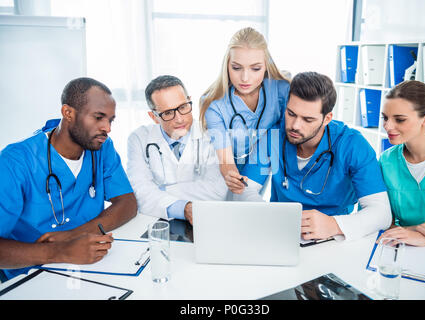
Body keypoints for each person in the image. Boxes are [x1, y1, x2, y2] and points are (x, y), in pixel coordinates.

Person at [0, 77, 137, 282]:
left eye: (111, 120)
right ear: (68, 113)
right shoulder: (16, 161)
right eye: (98, 117)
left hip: (90, 267)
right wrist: (60, 251)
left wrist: (75, 234)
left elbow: (128, 203)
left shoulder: (101, 147)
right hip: (29, 276)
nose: (107, 128)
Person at [241, 72, 392, 241]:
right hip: (280, 234)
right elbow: (245, 189)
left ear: (327, 118)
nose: (295, 126)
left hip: (331, 239)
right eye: (291, 114)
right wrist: (270, 215)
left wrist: (334, 224)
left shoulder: (352, 145)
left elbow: (382, 213)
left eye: (308, 119)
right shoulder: (274, 135)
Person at [199, 27, 290, 196]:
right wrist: (231, 175)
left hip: (262, 163)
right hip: (220, 168)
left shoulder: (281, 91)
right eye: (237, 68)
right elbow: (225, 160)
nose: (245, 78)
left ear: (266, 66)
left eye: (255, 69)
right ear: (227, 65)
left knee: (250, 208)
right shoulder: (214, 104)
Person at [127, 75, 227, 224]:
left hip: (208, 220)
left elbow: (218, 191)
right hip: (156, 223)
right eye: (168, 113)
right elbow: (139, 191)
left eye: (183, 107)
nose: (179, 119)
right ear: (153, 116)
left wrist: (160, 191)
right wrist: (183, 208)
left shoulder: (211, 133)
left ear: (189, 100)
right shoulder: (139, 139)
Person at [377, 80, 425, 248]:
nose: (388, 126)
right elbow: (376, 218)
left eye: (400, 120)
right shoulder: (386, 161)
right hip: (404, 251)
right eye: (385, 118)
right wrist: (413, 230)